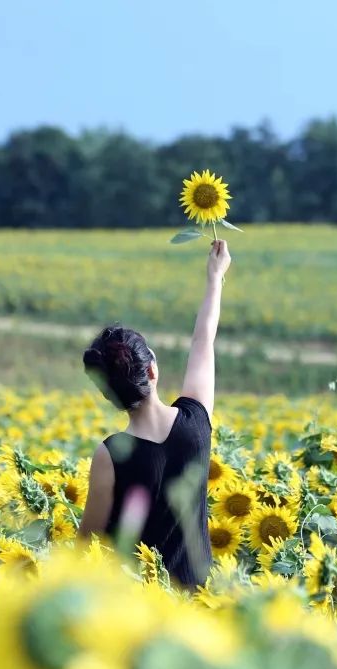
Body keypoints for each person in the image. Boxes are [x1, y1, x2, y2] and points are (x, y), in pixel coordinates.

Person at [78, 240, 232, 587]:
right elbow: (203, 342)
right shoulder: (196, 425)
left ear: (110, 397)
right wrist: (214, 277)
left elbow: (87, 546)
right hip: (204, 603)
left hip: (142, 615)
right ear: (151, 371)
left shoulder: (110, 454)